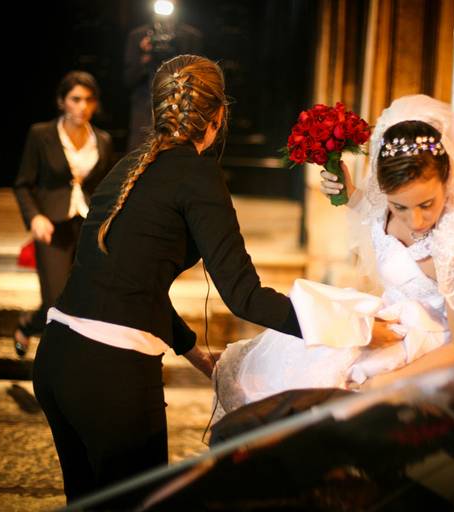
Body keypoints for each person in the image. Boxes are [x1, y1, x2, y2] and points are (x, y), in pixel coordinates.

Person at [32, 54, 303, 504]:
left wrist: (192, 350)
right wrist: (336, 324)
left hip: (57, 360)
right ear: (218, 117)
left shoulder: (128, 165)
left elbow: (128, 279)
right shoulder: (200, 176)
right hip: (110, 373)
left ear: (159, 110)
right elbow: (245, 296)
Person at [214, 95, 454, 415]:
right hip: (387, 326)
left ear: (448, 181)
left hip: (433, 357)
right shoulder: (383, 213)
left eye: (426, 204)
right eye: (400, 207)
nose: (415, 220)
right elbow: (371, 215)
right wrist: (348, 193)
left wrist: (389, 382)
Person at [12, 71, 114, 357]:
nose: (83, 106)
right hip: (52, 226)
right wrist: (35, 217)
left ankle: (58, 348)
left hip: (88, 227)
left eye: (89, 100)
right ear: (61, 101)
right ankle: (36, 333)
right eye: (75, 99)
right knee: (55, 301)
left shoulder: (102, 140)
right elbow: (23, 184)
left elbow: (107, 188)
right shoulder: (41, 134)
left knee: (83, 297)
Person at [124, 4, 203, 150]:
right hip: (145, 109)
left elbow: (197, 78)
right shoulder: (138, 36)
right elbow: (129, 80)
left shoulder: (190, 37)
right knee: (140, 153)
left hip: (181, 107)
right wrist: (144, 56)